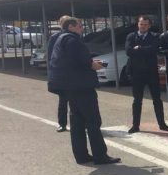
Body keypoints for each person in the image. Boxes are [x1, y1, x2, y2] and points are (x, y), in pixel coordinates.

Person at [47, 16, 120, 165]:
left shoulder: (60, 39)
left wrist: (90, 62)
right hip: (81, 87)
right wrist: (95, 65)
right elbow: (84, 62)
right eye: (79, 26)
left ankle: (81, 156)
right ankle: (100, 156)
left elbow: (73, 61)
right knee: (93, 121)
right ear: (71, 27)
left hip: (69, 86)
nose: (82, 28)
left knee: (77, 122)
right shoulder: (73, 40)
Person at [126, 15, 168, 133]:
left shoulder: (154, 36)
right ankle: (135, 125)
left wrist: (139, 48)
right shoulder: (131, 36)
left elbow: (154, 49)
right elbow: (128, 51)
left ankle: (162, 124)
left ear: (149, 26)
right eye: (141, 24)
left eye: (145, 25)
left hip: (151, 73)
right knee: (137, 100)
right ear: (138, 24)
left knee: (157, 99)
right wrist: (145, 50)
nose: (143, 26)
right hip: (136, 73)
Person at [46, 15, 71, 132]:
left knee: (77, 101)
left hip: (74, 74)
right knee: (63, 100)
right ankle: (62, 123)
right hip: (61, 74)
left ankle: (80, 122)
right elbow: (50, 56)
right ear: (61, 24)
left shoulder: (75, 36)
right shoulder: (55, 37)